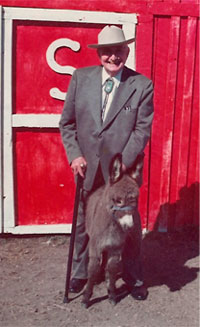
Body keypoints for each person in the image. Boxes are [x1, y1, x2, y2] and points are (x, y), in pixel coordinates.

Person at [59, 25, 154, 300]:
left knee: (128, 223)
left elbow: (141, 130)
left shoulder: (141, 85)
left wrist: (120, 165)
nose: (113, 57)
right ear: (99, 54)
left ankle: (133, 277)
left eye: (119, 51)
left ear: (127, 51)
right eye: (107, 52)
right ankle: (81, 273)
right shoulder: (80, 78)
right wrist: (75, 154)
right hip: (87, 166)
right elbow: (67, 123)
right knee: (83, 219)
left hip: (123, 170)